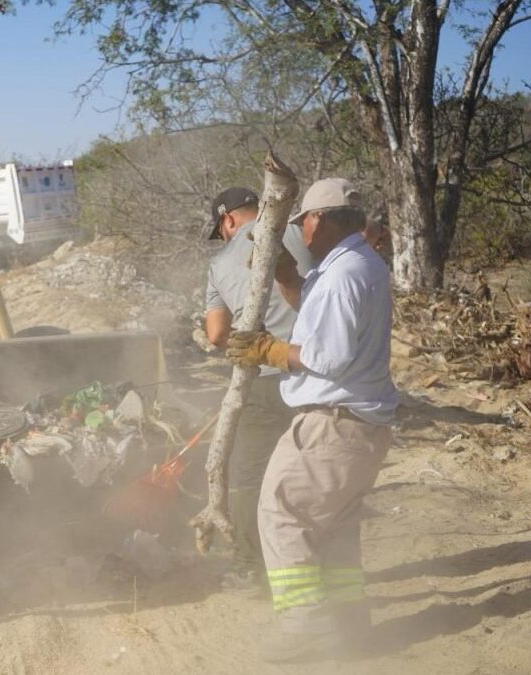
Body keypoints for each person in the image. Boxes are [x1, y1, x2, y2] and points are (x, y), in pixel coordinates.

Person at [226, 178, 398, 662]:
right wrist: (286, 277)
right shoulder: (355, 265)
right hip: (358, 425)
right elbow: (324, 320)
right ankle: (350, 627)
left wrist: (269, 350)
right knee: (335, 529)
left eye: (303, 222)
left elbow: (331, 353)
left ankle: (306, 624)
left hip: (333, 423)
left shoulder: (346, 273)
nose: (302, 231)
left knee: (281, 512)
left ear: (319, 218)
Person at [202, 186, 314, 593]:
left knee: (251, 474)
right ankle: (318, 560)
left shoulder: (218, 264)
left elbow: (216, 335)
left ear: (228, 220)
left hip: (264, 380)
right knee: (312, 470)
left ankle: (251, 566)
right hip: (315, 374)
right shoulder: (303, 232)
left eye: (223, 229)